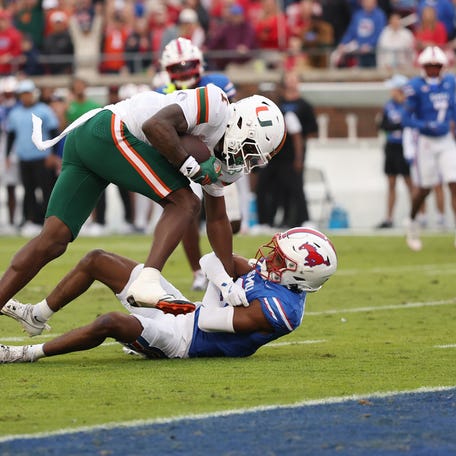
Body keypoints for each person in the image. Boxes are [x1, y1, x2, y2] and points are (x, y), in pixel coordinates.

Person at [0, 82, 286, 317]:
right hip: (108, 129)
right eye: (249, 150)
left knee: (53, 240)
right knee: (184, 202)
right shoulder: (215, 103)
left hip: (89, 141)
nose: (244, 161)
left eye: (253, 159)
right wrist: (193, 168)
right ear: (241, 123)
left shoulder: (224, 160)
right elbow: (155, 126)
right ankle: (148, 280)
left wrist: (226, 282)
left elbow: (218, 220)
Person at [0, 227, 337, 362]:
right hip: (187, 311)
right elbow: (212, 260)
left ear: (299, 274)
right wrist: (224, 282)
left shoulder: (282, 310)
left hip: (184, 343)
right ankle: (37, 316)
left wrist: (221, 282)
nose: (268, 257)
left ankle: (26, 353)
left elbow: (209, 319)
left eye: (279, 259)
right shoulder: (273, 277)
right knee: (97, 260)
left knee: (112, 322)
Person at [156, 37, 239, 291]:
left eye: (186, 65)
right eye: (177, 68)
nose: (182, 72)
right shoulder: (161, 92)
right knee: (188, 213)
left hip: (218, 156)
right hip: (184, 159)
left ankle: (219, 263)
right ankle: (198, 272)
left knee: (232, 220)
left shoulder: (218, 84)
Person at [402, 46, 456, 250]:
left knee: (454, 182)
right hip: (424, 142)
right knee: (425, 188)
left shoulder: (450, 82)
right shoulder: (415, 86)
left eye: (436, 66)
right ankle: (412, 221)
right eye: (430, 66)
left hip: (446, 140)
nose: (433, 69)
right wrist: (425, 125)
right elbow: (406, 118)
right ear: (423, 67)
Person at [256, 71, 318, 229]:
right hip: (273, 156)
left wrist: (299, 157)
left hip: (290, 156)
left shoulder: (295, 109)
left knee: (295, 188)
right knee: (269, 189)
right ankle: (268, 221)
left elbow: (301, 135)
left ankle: (303, 220)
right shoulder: (275, 108)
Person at [6, 79, 60, 236]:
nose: (26, 97)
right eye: (23, 94)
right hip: (24, 157)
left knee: (46, 190)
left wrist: (53, 154)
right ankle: (32, 220)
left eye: (28, 93)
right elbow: (11, 135)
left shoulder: (43, 110)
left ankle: (48, 222)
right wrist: (7, 156)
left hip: (42, 157)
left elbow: (54, 132)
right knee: (28, 190)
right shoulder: (15, 113)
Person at [376, 74, 414, 229]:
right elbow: (383, 125)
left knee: (409, 182)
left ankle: (416, 215)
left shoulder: (409, 105)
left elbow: (409, 124)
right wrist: (398, 125)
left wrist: (397, 124)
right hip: (391, 146)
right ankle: (389, 217)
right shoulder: (388, 105)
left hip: (405, 147)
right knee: (391, 182)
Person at [333, 0, 387, 68]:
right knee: (336, 54)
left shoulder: (380, 15)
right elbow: (351, 32)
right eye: (366, 2)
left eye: (370, 2)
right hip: (357, 46)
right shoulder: (358, 15)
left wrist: (370, 45)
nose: (368, 4)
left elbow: (379, 33)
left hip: (373, 49)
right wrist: (343, 43)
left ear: (375, 3)